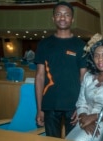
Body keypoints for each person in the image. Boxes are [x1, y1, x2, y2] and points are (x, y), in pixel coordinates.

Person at [34, 1, 87, 138]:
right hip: (49, 104)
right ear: (53, 18)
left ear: (72, 19)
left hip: (74, 106)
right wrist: (39, 108)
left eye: (66, 15)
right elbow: (39, 77)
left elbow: (84, 78)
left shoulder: (80, 45)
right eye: (58, 14)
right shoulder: (44, 44)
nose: (62, 18)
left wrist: (82, 107)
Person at [66, 39, 103, 141]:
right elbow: (81, 102)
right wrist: (83, 118)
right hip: (85, 121)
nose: (100, 59)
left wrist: (93, 117)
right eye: (96, 55)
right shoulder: (88, 76)